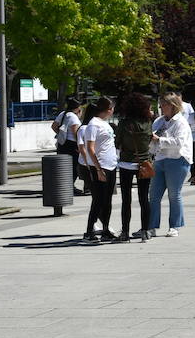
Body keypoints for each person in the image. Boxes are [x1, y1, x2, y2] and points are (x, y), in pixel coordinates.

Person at [149, 93, 193, 237]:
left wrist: (159, 139)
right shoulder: (159, 121)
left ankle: (175, 225)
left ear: (173, 106)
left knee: (174, 194)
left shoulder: (180, 122)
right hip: (160, 159)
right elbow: (151, 138)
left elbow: (179, 143)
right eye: (160, 104)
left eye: (164, 104)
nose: (161, 107)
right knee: (154, 195)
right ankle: (151, 226)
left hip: (177, 159)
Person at [116, 93, 154, 242]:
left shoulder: (124, 124)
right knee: (144, 199)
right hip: (144, 163)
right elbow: (150, 139)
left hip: (126, 163)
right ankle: (145, 231)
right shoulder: (148, 123)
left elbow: (117, 143)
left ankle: (125, 232)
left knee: (126, 200)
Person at [80, 98, 117, 244]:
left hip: (111, 165)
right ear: (108, 108)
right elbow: (90, 148)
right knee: (98, 201)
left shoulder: (104, 123)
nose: (113, 110)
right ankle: (89, 232)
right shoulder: (93, 124)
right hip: (101, 167)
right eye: (112, 107)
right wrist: (98, 169)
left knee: (107, 201)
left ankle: (106, 230)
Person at [52, 99, 84, 195]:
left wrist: (61, 134)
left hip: (62, 144)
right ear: (77, 108)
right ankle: (70, 187)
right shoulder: (73, 117)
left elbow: (54, 126)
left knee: (63, 166)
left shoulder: (63, 114)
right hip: (72, 144)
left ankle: (64, 186)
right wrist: (79, 144)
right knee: (74, 166)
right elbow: (75, 132)